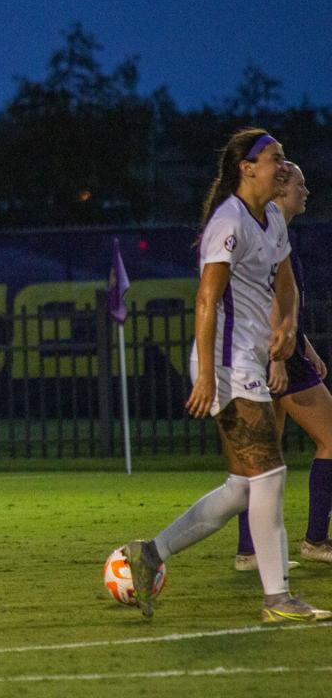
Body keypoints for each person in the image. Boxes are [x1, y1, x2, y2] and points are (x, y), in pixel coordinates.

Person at [123, 130, 330, 623]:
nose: (282, 165)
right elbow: (206, 299)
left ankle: (149, 553)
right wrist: (205, 376)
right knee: (272, 475)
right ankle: (278, 598)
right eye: (274, 158)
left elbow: (286, 282)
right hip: (228, 366)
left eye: (282, 157)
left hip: (249, 362)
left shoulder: (272, 217)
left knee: (242, 485)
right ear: (247, 167)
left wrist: (286, 325)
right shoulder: (229, 221)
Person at [235, 162, 332, 568]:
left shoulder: (274, 234)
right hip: (276, 356)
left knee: (261, 458)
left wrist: (305, 346)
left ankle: (249, 551)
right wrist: (281, 357)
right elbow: (269, 302)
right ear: (278, 192)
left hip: (276, 352)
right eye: (299, 184)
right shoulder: (271, 236)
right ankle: (315, 540)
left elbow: (277, 304)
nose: (306, 191)